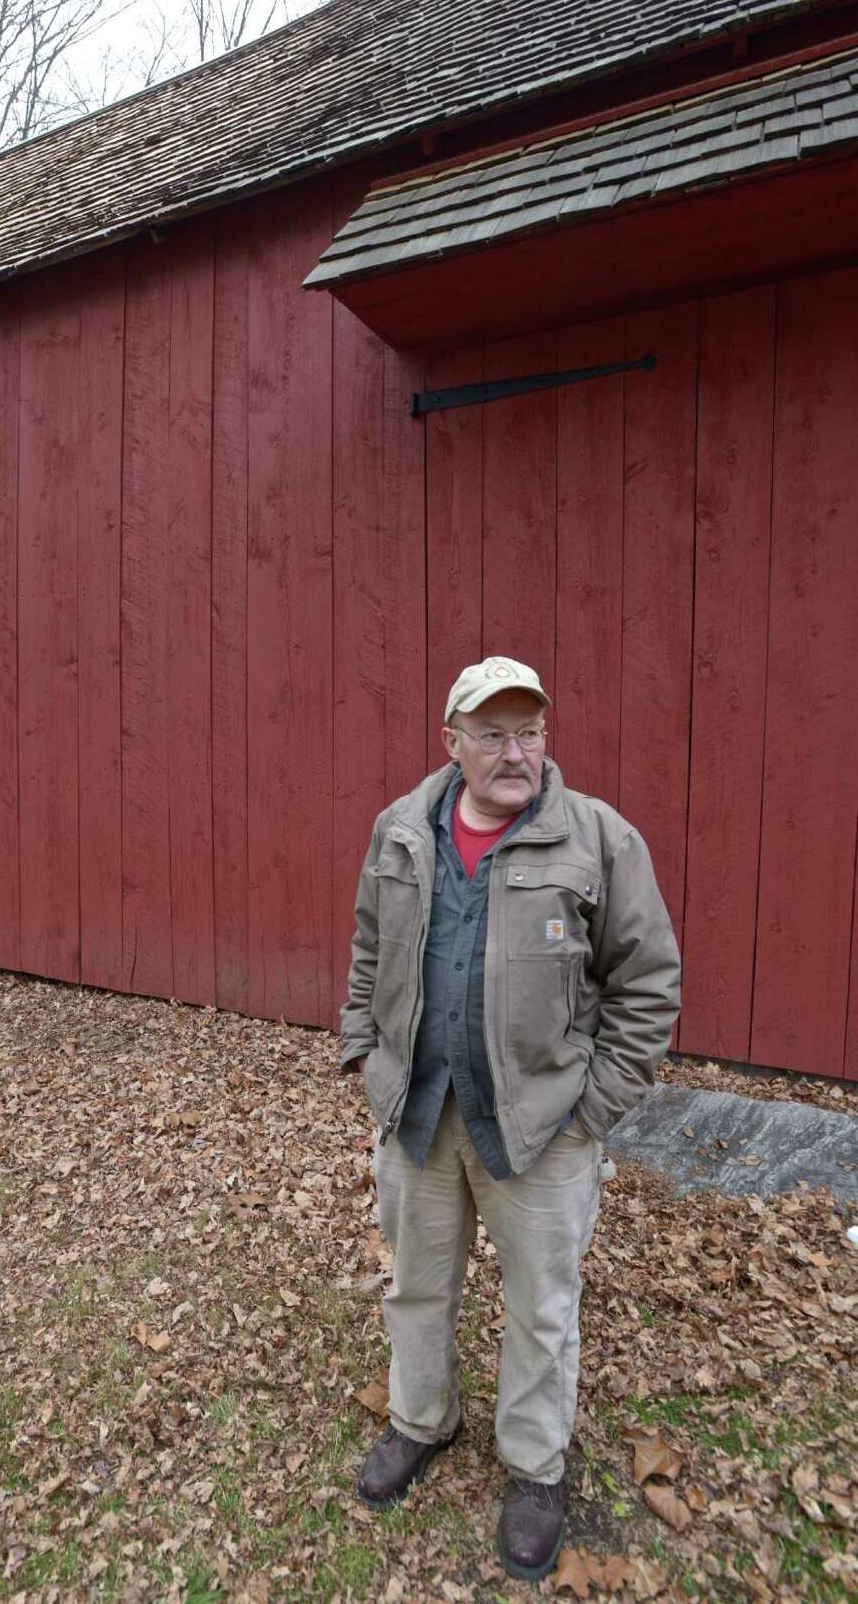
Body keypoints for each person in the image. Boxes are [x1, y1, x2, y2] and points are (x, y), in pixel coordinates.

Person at [340, 656, 681, 1581]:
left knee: (541, 1306)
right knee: (417, 1282)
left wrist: (594, 1109)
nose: (514, 751)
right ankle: (421, 1417)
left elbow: (647, 984)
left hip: (541, 1129)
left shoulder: (598, 841)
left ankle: (535, 1466)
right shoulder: (401, 832)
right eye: (491, 733)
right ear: (451, 741)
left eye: (529, 730)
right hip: (418, 1112)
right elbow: (370, 948)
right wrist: (362, 1049)